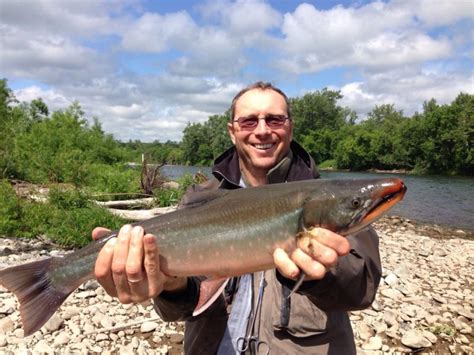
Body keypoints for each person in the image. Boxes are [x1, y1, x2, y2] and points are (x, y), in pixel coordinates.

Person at [92, 81, 382, 354]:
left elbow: (362, 288)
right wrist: (170, 286)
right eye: (249, 121)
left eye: (275, 120)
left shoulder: (326, 200)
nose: (262, 130)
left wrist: (318, 275)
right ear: (233, 131)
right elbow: (178, 311)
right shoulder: (199, 199)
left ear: (290, 128)